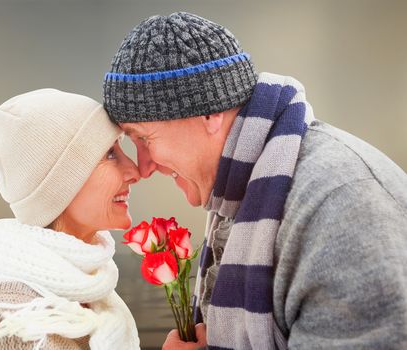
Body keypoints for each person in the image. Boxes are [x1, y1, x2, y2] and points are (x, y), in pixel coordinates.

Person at [102, 12, 407, 349]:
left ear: (209, 113)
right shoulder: (253, 186)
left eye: (144, 138)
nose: (144, 168)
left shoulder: (342, 208)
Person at [0, 89, 141, 349]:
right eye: (109, 153)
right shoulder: (15, 333)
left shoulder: (75, 287)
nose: (135, 170)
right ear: (62, 184)